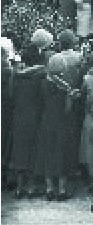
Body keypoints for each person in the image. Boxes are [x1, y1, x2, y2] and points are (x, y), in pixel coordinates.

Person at [32, 54, 82, 201]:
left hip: (46, 122)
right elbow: (67, 109)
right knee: (62, 155)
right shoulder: (65, 85)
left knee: (48, 154)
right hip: (62, 123)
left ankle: (49, 189)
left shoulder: (43, 83)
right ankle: (61, 190)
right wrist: (73, 97)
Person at [9, 44, 46, 198]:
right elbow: (43, 98)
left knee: (19, 151)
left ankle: (19, 187)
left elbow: (11, 97)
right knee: (34, 150)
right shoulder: (40, 76)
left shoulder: (15, 77)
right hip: (35, 116)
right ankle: (31, 187)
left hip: (18, 116)